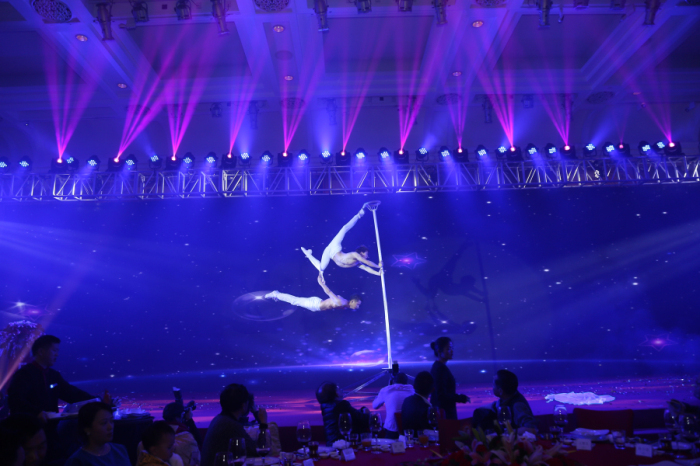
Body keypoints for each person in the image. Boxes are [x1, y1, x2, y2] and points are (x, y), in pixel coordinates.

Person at [8, 335, 97, 421]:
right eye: (54, 350)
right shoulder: (24, 374)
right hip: (28, 428)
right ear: (41, 351)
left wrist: (95, 400)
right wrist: (36, 412)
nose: (57, 354)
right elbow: (15, 400)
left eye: (57, 351)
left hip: (49, 426)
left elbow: (71, 393)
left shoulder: (54, 375)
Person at [301, 205, 383, 278]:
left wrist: (378, 273)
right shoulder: (355, 255)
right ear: (362, 253)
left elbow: (366, 268)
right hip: (334, 247)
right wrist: (378, 266)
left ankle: (308, 254)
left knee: (320, 268)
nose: (367, 256)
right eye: (366, 254)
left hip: (330, 253)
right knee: (344, 228)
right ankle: (359, 215)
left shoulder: (357, 263)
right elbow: (367, 262)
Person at [201, 384, 267, 466]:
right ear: (243, 405)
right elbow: (257, 451)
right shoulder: (231, 425)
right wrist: (263, 422)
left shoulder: (219, 419)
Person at [64, 401, 130, 466]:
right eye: (103, 423)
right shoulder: (77, 461)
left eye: (111, 421)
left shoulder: (120, 450)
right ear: (87, 429)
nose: (110, 427)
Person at [472, 370, 537, 435]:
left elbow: (532, 429)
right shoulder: (507, 398)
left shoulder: (517, 405)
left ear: (500, 391)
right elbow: (493, 406)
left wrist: (507, 433)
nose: (492, 388)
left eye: (493, 385)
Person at [265, 276, 362, 312]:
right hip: (314, 304)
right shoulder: (341, 302)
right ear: (352, 301)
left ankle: (278, 296)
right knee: (294, 301)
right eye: (357, 304)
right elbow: (329, 292)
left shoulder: (344, 304)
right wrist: (321, 283)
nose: (357, 307)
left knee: (295, 300)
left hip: (317, 304)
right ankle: (276, 294)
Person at [430, 337, 470, 420]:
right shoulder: (441, 369)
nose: (452, 351)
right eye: (448, 349)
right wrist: (460, 398)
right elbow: (442, 395)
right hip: (445, 414)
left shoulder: (437, 366)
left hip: (441, 412)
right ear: (439, 351)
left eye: (452, 348)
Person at [372, 373, 414, 439]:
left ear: (393, 381)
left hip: (391, 430)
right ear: (407, 382)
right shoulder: (412, 390)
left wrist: (381, 396)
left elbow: (375, 406)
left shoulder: (386, 390)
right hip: (409, 429)